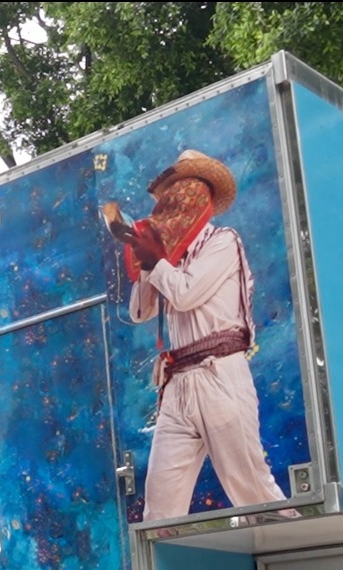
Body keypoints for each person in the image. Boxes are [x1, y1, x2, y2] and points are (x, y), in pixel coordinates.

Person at [107, 148, 288, 522]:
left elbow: (185, 294)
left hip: (218, 372)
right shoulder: (167, 254)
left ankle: (299, 552)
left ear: (202, 198)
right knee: (160, 508)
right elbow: (140, 311)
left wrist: (157, 260)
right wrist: (145, 258)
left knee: (253, 492)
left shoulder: (223, 241)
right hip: (177, 384)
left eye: (186, 190)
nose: (177, 200)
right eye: (172, 193)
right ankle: (162, 560)